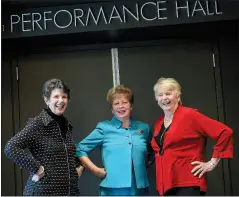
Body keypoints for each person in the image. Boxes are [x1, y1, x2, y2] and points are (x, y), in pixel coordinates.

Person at [151, 77, 233, 196]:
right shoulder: (159, 123)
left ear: (178, 96)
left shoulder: (189, 115)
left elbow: (225, 132)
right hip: (166, 183)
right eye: (160, 95)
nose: (164, 98)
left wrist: (212, 163)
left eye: (168, 93)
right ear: (157, 99)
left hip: (187, 182)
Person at [4, 78, 83, 196]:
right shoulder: (38, 123)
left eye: (64, 97)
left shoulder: (66, 125)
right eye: (56, 96)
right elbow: (10, 148)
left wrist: (78, 169)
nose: (61, 100)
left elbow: (66, 154)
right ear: (47, 100)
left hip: (69, 193)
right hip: (43, 192)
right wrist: (36, 168)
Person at [76, 85, 154, 196]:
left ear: (131, 106)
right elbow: (80, 149)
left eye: (124, 102)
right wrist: (95, 170)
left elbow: (153, 152)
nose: (120, 106)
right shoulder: (104, 128)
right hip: (112, 191)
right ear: (112, 109)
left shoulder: (143, 128)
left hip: (140, 191)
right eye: (116, 103)